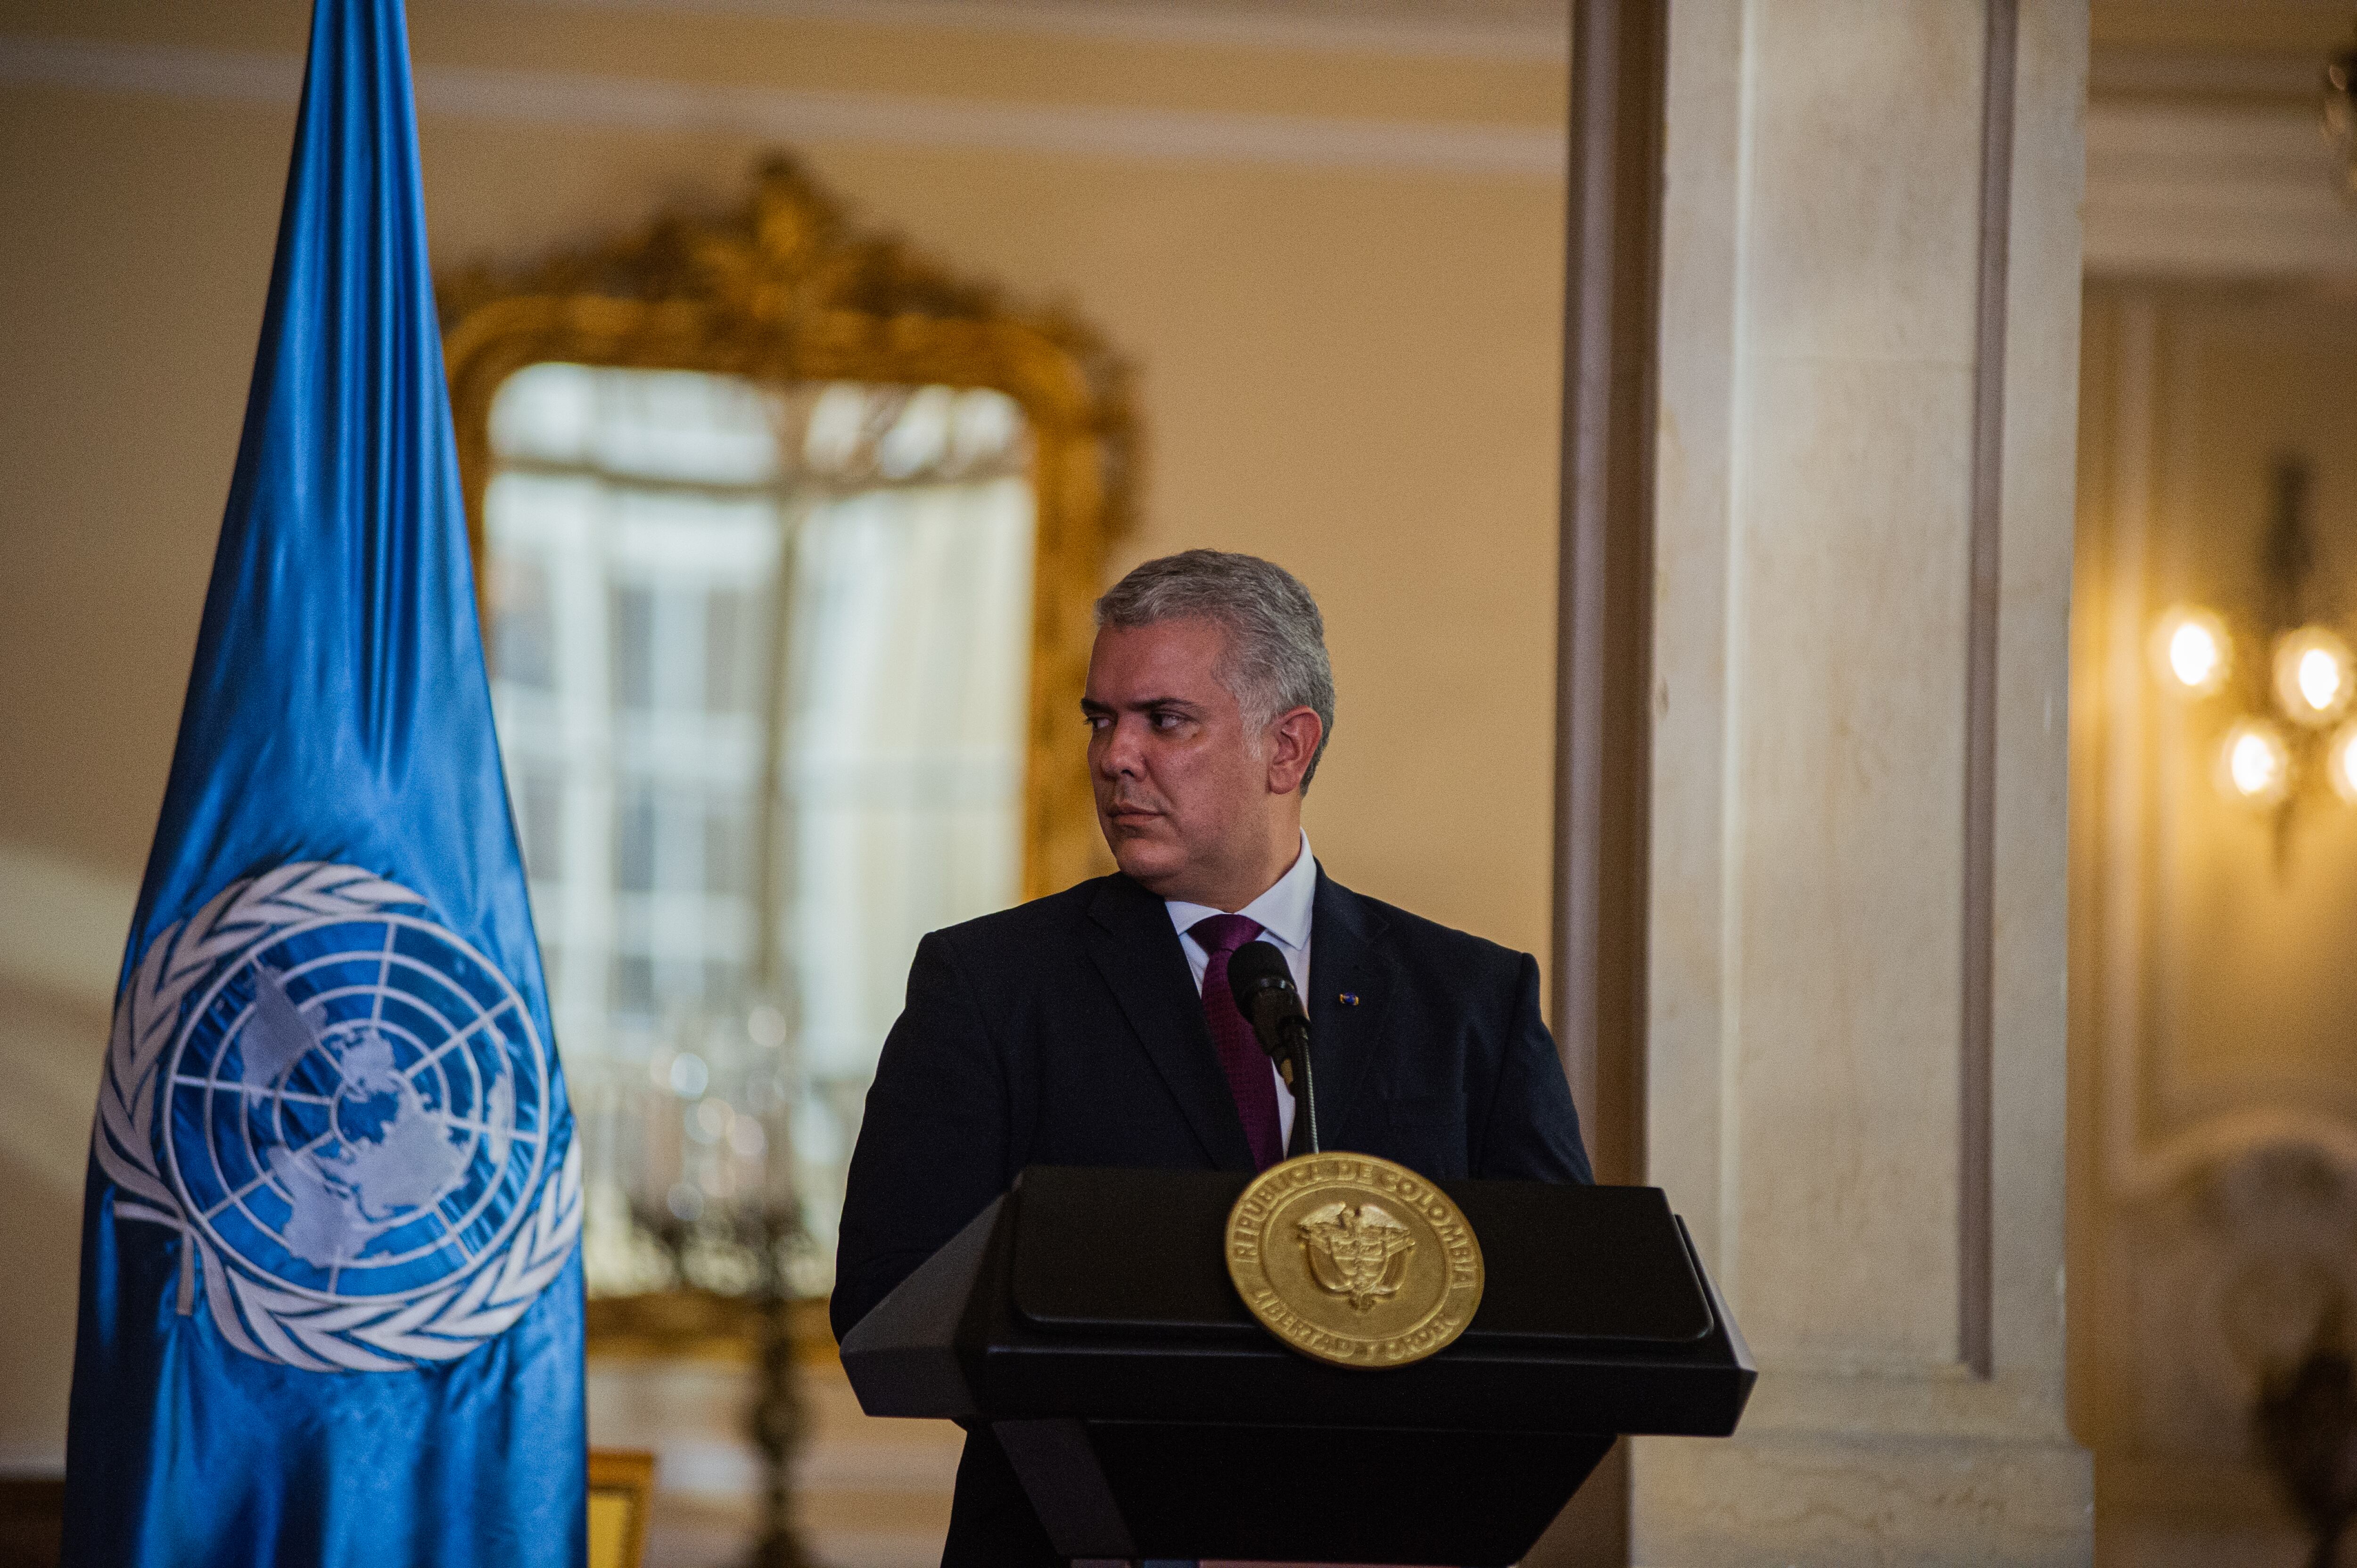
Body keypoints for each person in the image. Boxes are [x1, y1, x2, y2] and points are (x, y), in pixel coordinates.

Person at [832, 549, 1592, 1562]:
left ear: (1287, 747)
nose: (1114, 756)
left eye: (1164, 719)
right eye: (1101, 719)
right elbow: (889, 1296)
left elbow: (1559, 1307)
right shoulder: (990, 983)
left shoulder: (1469, 1000)